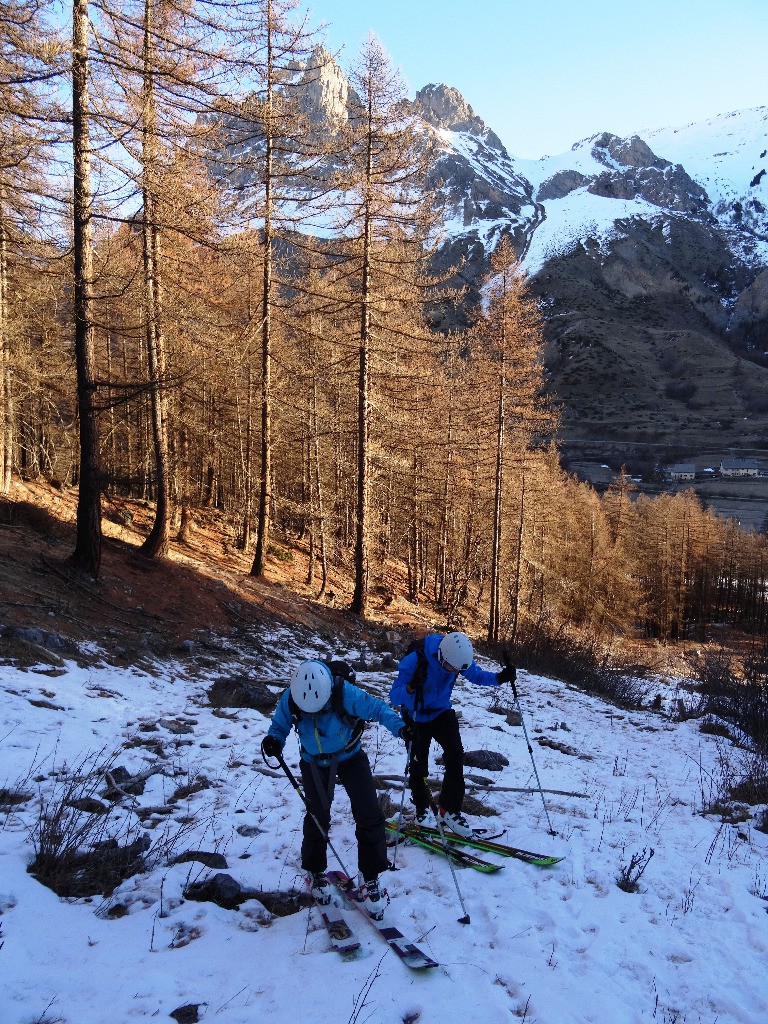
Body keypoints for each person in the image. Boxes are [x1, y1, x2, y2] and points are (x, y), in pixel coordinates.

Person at [262, 659, 410, 921]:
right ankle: (315, 871)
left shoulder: (344, 692)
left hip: (350, 756)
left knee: (369, 813)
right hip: (313, 762)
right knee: (317, 816)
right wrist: (274, 740)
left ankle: (370, 876)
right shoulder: (293, 696)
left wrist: (402, 729)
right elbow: (279, 725)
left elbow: (377, 708)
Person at [389, 631, 516, 838]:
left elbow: (476, 675)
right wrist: (411, 687)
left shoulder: (457, 657)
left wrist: (499, 678)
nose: (456, 672)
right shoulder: (415, 660)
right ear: (441, 657)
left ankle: (449, 810)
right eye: (453, 668)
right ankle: (422, 809)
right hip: (415, 715)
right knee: (418, 765)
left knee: (455, 755)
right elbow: (394, 697)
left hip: (441, 712)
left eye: (459, 670)